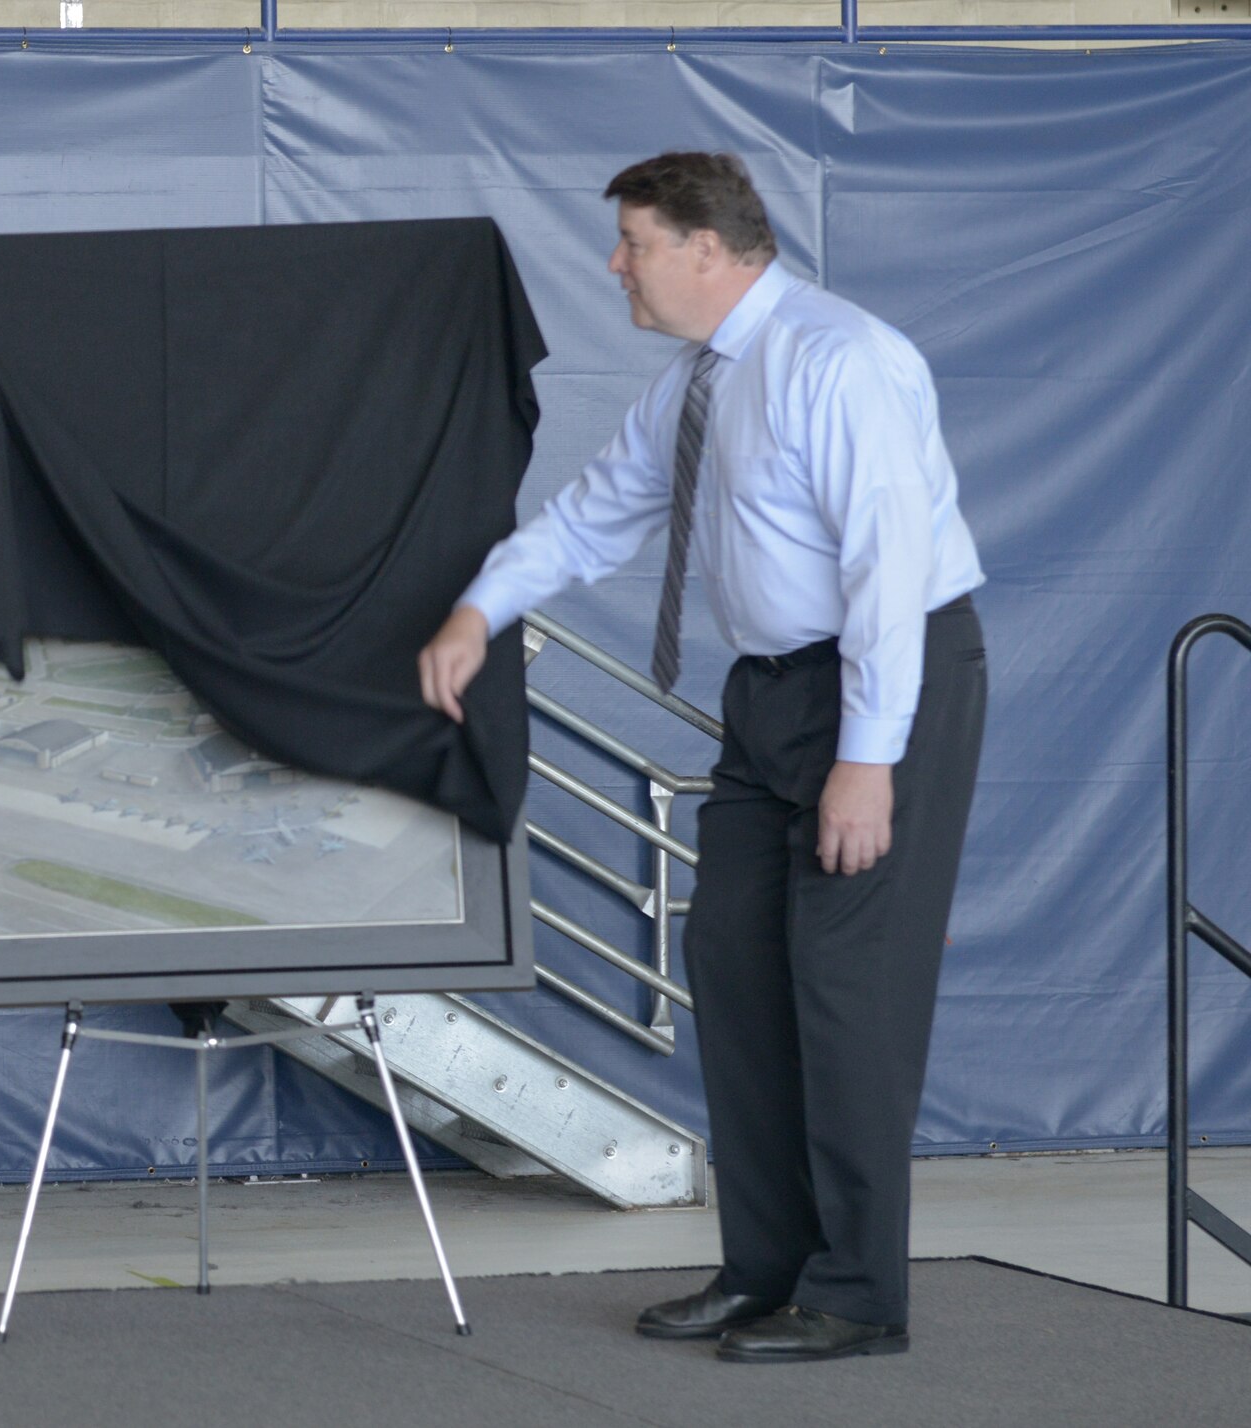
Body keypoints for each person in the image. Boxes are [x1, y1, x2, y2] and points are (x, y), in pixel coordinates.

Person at [419, 153, 986, 1363]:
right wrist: (478, 610)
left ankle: (855, 1296)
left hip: (882, 687)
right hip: (770, 697)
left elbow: (887, 574)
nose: (612, 264)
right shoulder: (697, 384)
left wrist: (866, 759)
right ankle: (765, 1266)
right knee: (730, 965)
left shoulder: (842, 362)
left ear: (707, 249)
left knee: (844, 997)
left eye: (630, 241)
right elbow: (592, 515)